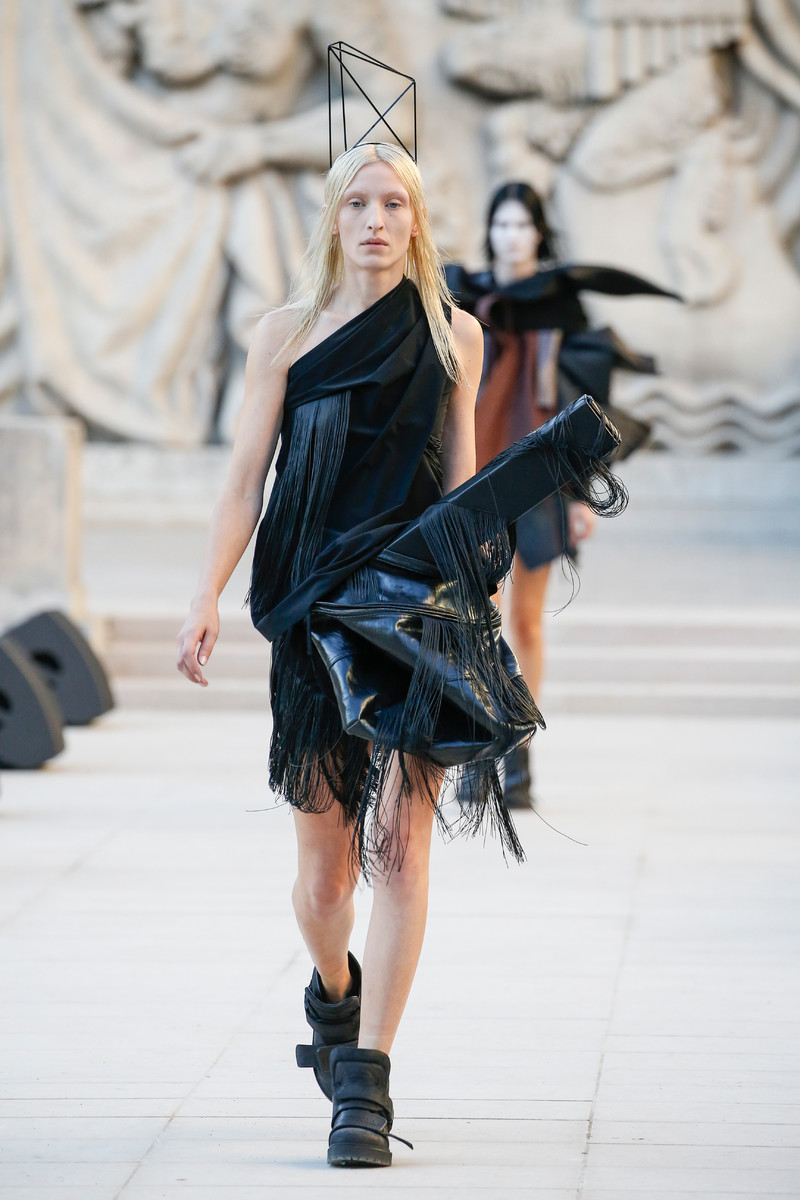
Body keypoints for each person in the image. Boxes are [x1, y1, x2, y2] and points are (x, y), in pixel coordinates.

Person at [176, 141, 490, 1170]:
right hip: (311, 615)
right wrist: (205, 595)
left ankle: (366, 1082)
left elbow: (462, 483)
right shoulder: (284, 334)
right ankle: (334, 992)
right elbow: (243, 483)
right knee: (325, 877)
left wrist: (476, 589)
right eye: (357, 202)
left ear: (416, 219)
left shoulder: (452, 334)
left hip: (414, 616)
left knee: (402, 846)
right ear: (333, 217)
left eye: (393, 202)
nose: (375, 220)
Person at [447, 181, 678, 809]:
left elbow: (580, 408)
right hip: (475, 479)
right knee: (476, 616)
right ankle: (478, 748)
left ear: (540, 234)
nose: (511, 237)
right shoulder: (464, 298)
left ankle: (517, 755)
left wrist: (580, 498)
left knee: (524, 620)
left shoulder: (561, 305)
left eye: (522, 226)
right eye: (502, 225)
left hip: (540, 482)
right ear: (489, 231)